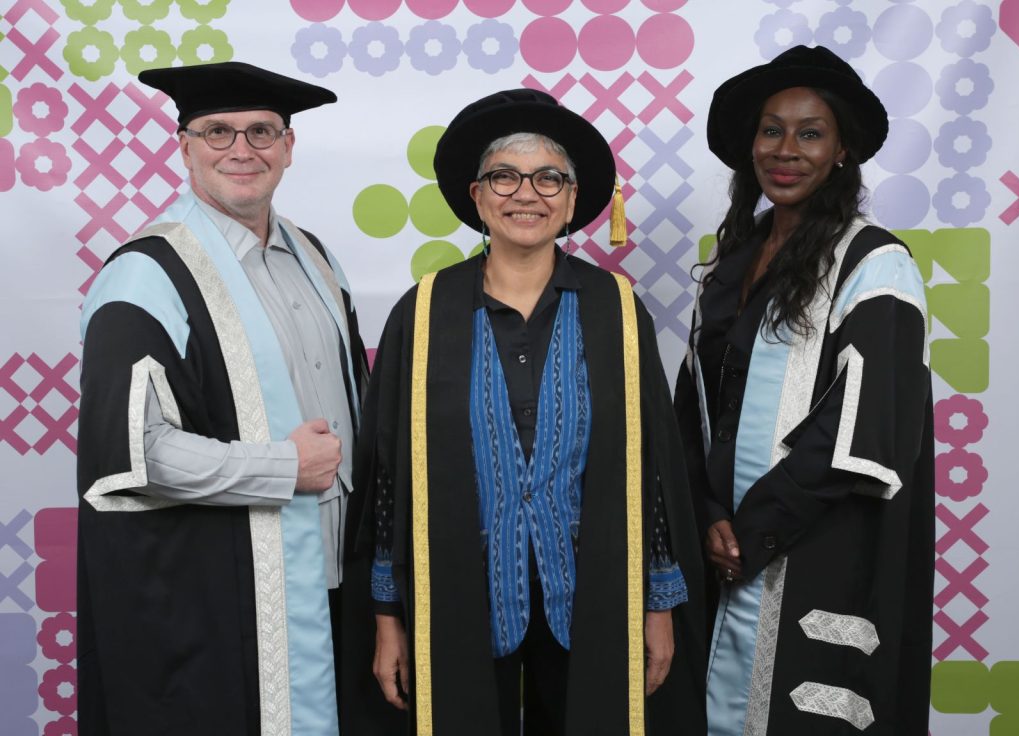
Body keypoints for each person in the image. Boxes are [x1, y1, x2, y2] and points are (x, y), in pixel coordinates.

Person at [341, 89, 706, 735]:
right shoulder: (424, 314)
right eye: (504, 176)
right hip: (457, 590)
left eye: (548, 178)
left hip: (593, 591)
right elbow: (389, 477)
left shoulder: (614, 310)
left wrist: (658, 605)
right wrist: (388, 617)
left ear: (571, 200)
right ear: (477, 197)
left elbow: (650, 470)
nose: (526, 194)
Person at [77, 61, 368, 735]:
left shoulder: (318, 259)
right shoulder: (145, 275)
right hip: (221, 600)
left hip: (333, 586)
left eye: (262, 131)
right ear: (184, 147)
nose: (242, 149)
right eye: (217, 133)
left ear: (289, 147)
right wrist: (283, 470)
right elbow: (126, 454)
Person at [674, 45, 935, 735]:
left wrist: (750, 531)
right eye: (770, 130)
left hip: (820, 550)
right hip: (721, 553)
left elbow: (867, 425)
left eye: (810, 132)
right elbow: (692, 417)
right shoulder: (730, 267)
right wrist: (703, 515)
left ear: (843, 149)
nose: (786, 149)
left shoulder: (874, 265)